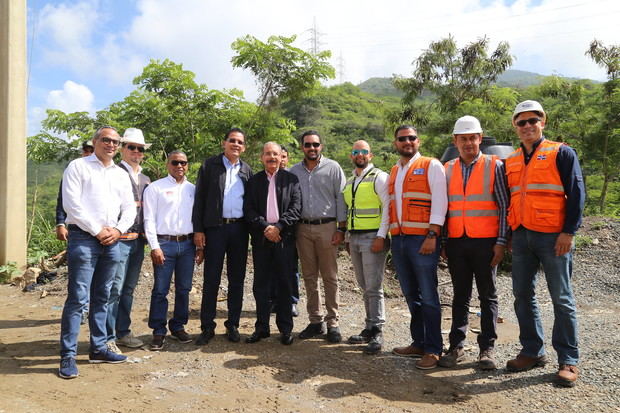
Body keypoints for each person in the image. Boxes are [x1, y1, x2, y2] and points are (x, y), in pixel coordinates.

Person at [505, 100, 585, 387]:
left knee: (561, 298)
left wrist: (569, 232)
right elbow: (513, 198)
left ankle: (568, 360)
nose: (527, 126)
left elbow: (576, 194)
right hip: (523, 235)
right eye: (521, 122)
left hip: (554, 236)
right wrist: (512, 233)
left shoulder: (561, 153)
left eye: (532, 120)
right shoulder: (511, 160)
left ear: (543, 122)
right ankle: (532, 351)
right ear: (515, 126)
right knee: (522, 295)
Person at [58, 126, 136, 379]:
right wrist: (96, 230)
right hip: (83, 238)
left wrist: (117, 230)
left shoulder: (121, 174)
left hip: (113, 240)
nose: (111, 144)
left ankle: (99, 347)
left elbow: (130, 209)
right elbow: (72, 204)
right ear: (95, 142)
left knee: (103, 296)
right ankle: (68, 356)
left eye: (115, 141)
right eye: (106, 140)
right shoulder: (78, 166)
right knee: (78, 298)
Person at [438, 116, 510, 370]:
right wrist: (445, 242)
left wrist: (501, 242)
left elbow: (504, 206)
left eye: (473, 138)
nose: (469, 143)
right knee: (460, 296)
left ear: (480, 138)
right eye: (463, 139)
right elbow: (445, 209)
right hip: (458, 241)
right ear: (455, 141)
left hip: (487, 243)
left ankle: (486, 349)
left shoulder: (495, 166)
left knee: (487, 296)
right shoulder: (447, 169)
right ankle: (456, 346)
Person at [388, 124, 447, 370]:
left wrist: (433, 234)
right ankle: (419, 341)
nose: (407, 142)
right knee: (412, 295)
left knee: (429, 295)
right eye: (402, 139)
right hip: (400, 240)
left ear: (418, 141)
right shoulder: (394, 170)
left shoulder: (431, 165)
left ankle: (434, 349)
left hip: (422, 239)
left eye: (411, 138)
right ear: (396, 143)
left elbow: (440, 202)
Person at [192, 128, 253, 345]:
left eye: (240, 142)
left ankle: (233, 325)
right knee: (211, 279)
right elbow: (199, 199)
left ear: (244, 147)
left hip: (239, 230)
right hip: (215, 229)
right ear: (223, 143)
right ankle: (207, 327)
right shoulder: (209, 166)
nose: (236, 144)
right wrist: (198, 230)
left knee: (237, 279)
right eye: (232, 141)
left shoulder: (247, 170)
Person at [290, 130, 347, 343]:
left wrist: (341, 229)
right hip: (303, 229)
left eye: (315, 144)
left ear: (321, 146)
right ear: (302, 147)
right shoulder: (294, 171)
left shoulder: (333, 168)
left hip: (328, 227)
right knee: (309, 277)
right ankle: (315, 321)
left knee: (330, 276)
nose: (311, 148)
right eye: (307, 145)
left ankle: (333, 322)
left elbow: (340, 198)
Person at [244, 142, 301, 345]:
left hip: (284, 239)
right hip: (261, 240)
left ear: (281, 157)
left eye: (275, 154)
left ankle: (285, 329)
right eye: (267, 154)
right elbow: (248, 209)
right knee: (261, 285)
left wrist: (278, 227)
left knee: (285, 284)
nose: (271, 157)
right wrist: (266, 227)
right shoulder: (254, 181)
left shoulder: (291, 180)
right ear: (262, 157)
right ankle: (262, 328)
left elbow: (296, 208)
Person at [143, 151, 201, 351]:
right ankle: (158, 331)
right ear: (168, 164)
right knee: (160, 290)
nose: (179, 166)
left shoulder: (193, 189)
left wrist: (200, 246)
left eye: (183, 162)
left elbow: (198, 219)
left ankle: (178, 326)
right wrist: (154, 246)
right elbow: (148, 219)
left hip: (187, 244)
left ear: (188, 165)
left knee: (184, 288)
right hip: (164, 244)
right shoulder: (155, 188)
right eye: (175, 162)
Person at [105, 128, 151, 352]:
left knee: (129, 289)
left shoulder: (145, 178)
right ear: (122, 149)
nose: (135, 151)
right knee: (114, 288)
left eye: (139, 148)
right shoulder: (114, 173)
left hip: (137, 241)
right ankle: (107, 336)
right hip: (118, 240)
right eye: (131, 147)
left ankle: (123, 331)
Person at [342, 140, 390, 355]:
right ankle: (369, 327)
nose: (359, 155)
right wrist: (346, 236)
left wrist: (381, 236)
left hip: (373, 237)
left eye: (363, 152)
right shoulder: (350, 180)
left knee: (374, 285)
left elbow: (388, 207)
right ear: (351, 156)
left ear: (370, 155)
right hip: (355, 238)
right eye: (355, 152)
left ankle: (377, 329)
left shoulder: (379, 177)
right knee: (363, 284)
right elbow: (348, 209)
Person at [55, 140, 94, 325]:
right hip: (79, 231)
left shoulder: (105, 172)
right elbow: (63, 200)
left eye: (91, 150)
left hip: (102, 233)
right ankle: (82, 310)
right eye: (86, 150)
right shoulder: (74, 169)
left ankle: (89, 310)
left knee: (99, 277)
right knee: (80, 277)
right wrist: (60, 223)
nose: (88, 153)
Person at [273, 144, 300, 317]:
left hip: (289, 231)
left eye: (284, 157)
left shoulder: (292, 178)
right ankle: (274, 300)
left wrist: (282, 225)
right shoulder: (266, 178)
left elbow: (295, 206)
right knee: (271, 269)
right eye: (278, 156)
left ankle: (291, 301)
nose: (280, 160)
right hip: (268, 231)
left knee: (290, 268)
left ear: (287, 159)